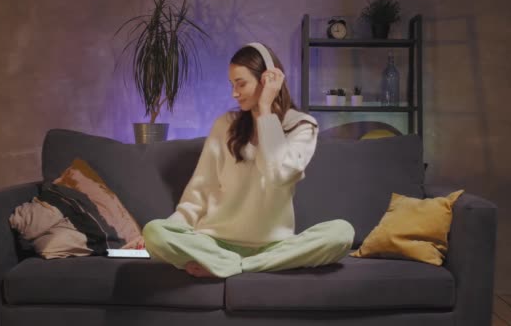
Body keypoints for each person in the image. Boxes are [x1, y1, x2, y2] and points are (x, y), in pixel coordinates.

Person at [126, 42, 355, 278]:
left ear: (268, 80)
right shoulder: (226, 125)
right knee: (155, 231)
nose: (234, 93)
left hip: (274, 247)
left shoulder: (301, 126)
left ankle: (242, 266)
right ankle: (236, 263)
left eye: (241, 83)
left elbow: (279, 175)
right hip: (214, 244)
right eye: (232, 84)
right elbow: (198, 194)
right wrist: (154, 239)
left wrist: (265, 110)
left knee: (341, 233)